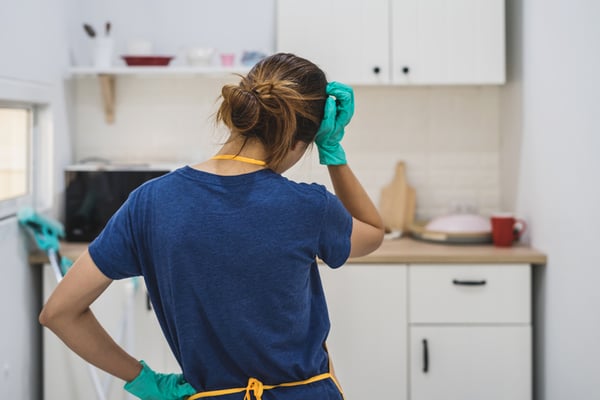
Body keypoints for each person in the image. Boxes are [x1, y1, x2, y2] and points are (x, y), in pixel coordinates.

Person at [39, 52, 385, 400]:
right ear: (296, 140)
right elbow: (372, 231)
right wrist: (333, 151)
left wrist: (145, 380)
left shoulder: (150, 203)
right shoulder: (309, 206)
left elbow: (59, 313)